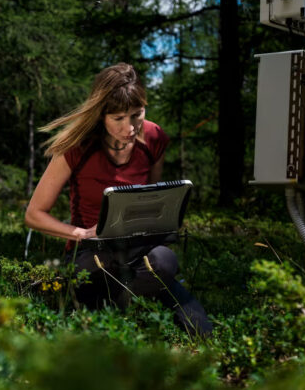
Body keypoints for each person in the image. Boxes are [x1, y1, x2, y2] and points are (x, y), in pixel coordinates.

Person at [24, 62, 212, 336]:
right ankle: (122, 302)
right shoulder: (76, 146)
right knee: (99, 265)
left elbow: (153, 197)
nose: (130, 127)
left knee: (167, 265)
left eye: (137, 115)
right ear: (101, 115)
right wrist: (79, 233)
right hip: (91, 252)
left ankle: (120, 300)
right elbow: (33, 214)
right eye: (118, 119)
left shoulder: (154, 138)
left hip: (137, 251)